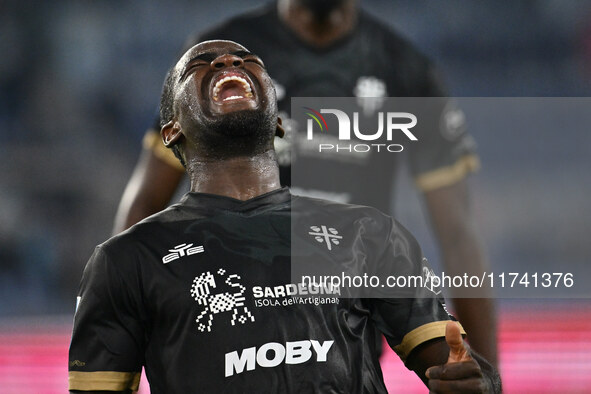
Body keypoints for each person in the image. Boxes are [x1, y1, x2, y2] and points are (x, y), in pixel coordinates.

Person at [69, 39, 500, 394]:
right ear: (171, 130)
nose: (227, 61)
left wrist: (477, 384)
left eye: (246, 60)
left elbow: (467, 372)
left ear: (277, 121)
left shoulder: (370, 234)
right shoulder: (124, 261)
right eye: (199, 66)